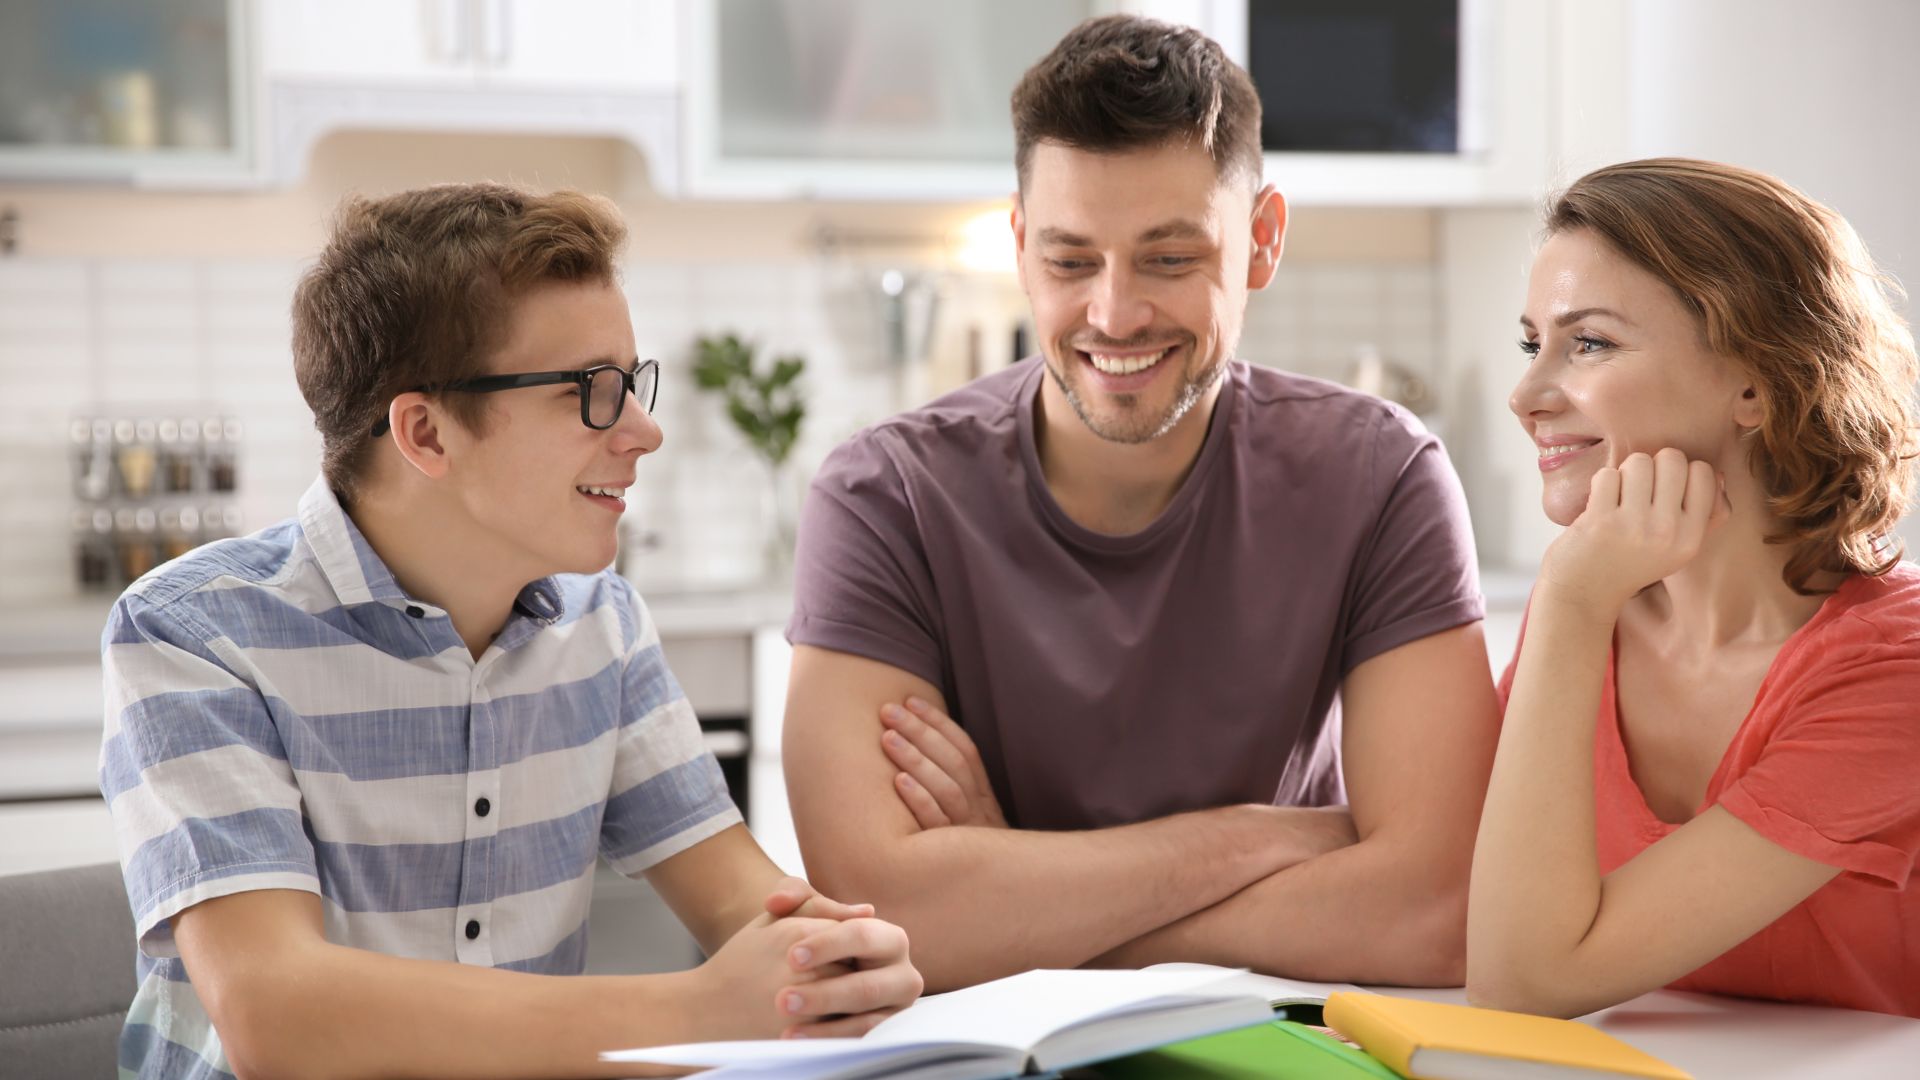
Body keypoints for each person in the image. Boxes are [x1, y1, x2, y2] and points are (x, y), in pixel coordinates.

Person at [98, 183, 921, 1080]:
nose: (643, 432)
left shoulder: (602, 624)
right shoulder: (190, 635)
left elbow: (747, 906)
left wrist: (839, 960)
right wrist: (695, 1009)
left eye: (633, 384)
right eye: (591, 393)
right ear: (426, 432)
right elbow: (277, 1014)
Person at [781, 14, 1501, 991]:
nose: (1115, 315)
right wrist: (1257, 840)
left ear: (1262, 240)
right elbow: (891, 910)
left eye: (1168, 259)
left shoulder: (1382, 476)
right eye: (1072, 261)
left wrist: (1019, 917)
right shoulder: (884, 497)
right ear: (1022, 244)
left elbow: (1436, 912)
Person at [1468, 158, 1920, 1019]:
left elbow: (1521, 982)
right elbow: (1452, 895)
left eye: (1588, 343)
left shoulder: (1897, 671)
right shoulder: (1597, 617)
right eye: (1534, 344)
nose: (1527, 396)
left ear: (1755, 381)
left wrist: (1564, 603)